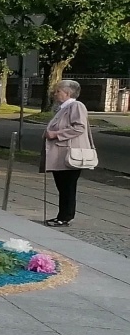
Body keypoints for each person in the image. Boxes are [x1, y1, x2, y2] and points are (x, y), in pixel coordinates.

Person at [42, 78, 94, 227]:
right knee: (63, 186)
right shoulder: (63, 107)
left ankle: (65, 217)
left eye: (58, 91)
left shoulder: (76, 106)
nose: (55, 93)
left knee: (67, 187)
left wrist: (56, 134)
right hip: (61, 154)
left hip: (69, 155)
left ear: (68, 93)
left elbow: (79, 127)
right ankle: (62, 215)